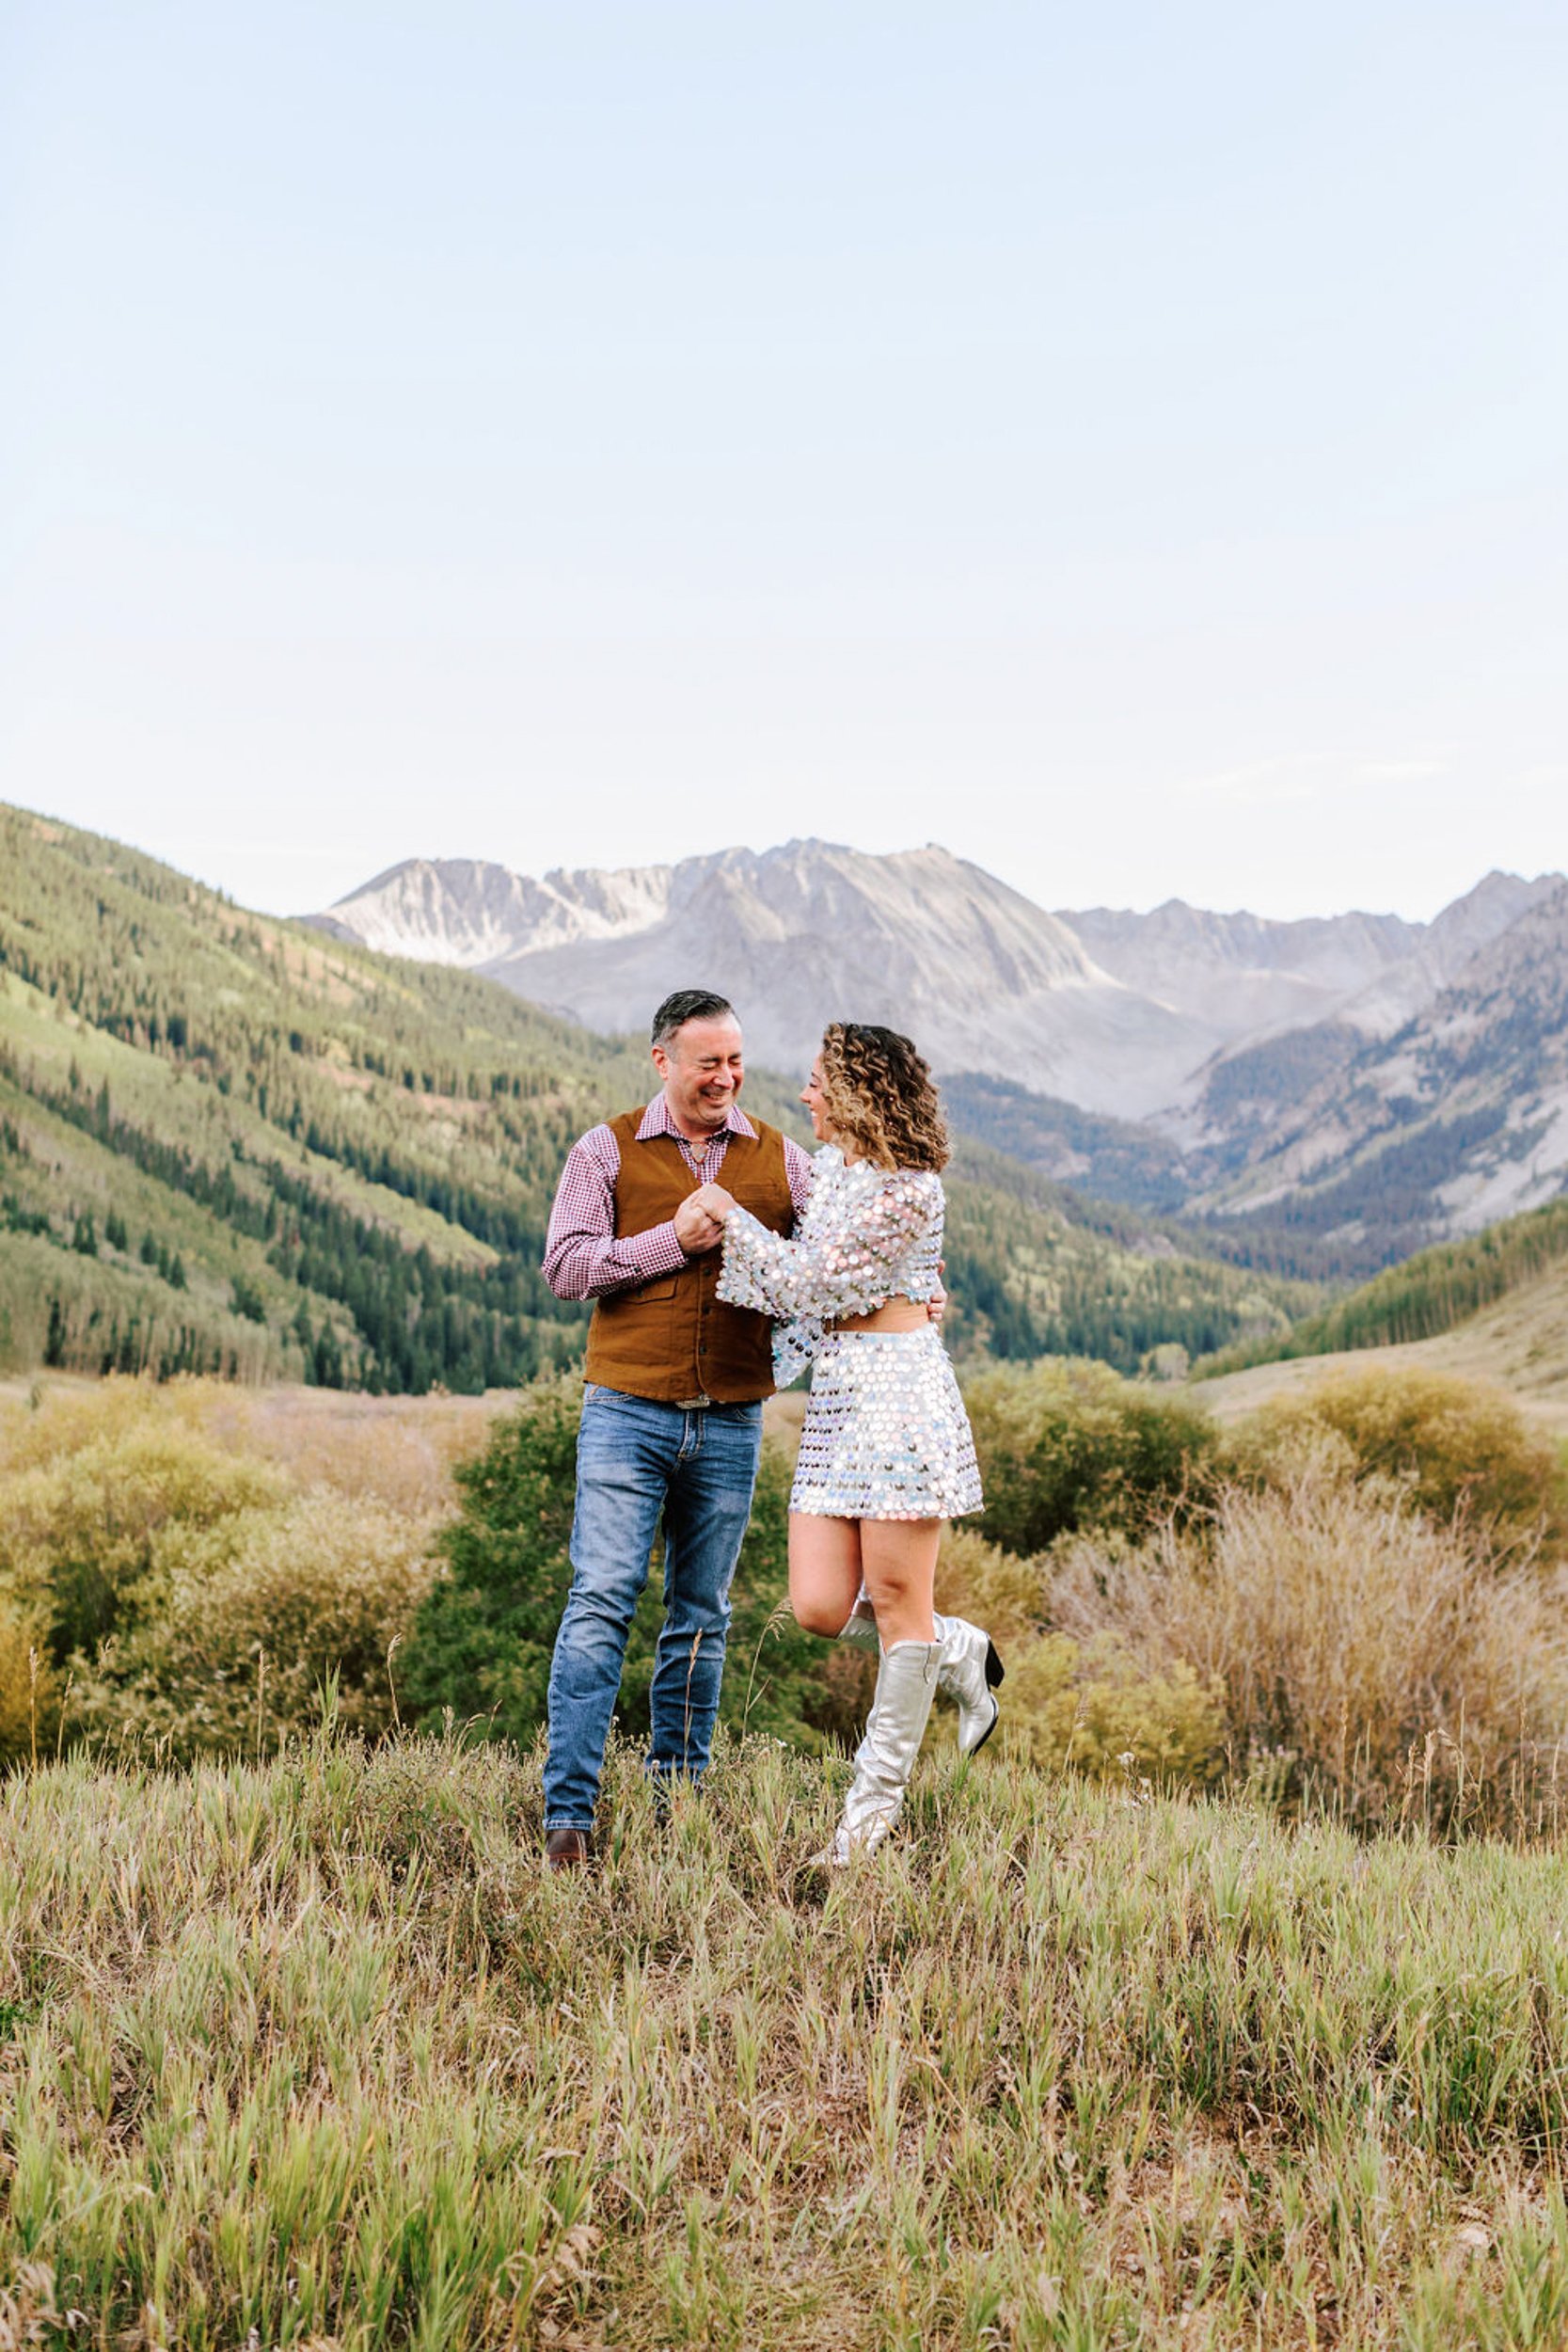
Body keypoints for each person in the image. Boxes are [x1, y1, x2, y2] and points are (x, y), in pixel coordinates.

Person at [696, 1021, 1000, 1866]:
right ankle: (958, 1649)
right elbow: (811, 1270)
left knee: (900, 1607)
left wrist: (727, 1218)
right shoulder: (832, 1170)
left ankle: (867, 1820)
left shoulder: (912, 1191)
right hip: (836, 1405)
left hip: (900, 1406)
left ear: (861, 1094)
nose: (805, 1097)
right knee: (818, 1607)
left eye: (819, 1084)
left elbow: (819, 1279)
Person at [537, 987, 811, 1870]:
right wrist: (673, 1242)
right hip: (626, 1413)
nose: (726, 1077)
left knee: (701, 1619)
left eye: (736, 1061)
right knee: (600, 1606)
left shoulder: (779, 1157)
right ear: (662, 1062)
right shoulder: (604, 1149)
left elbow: (831, 1256)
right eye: (708, 1063)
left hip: (732, 1419)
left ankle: (675, 1808)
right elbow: (566, 1267)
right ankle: (568, 1818)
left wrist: (913, 1282)